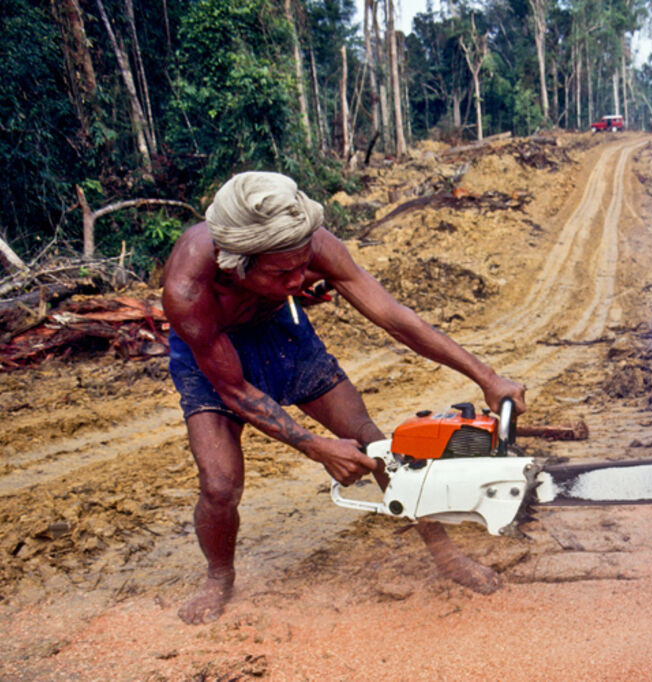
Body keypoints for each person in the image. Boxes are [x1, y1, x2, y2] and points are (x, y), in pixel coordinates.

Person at [162, 171, 526, 625]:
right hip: (212, 350)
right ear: (237, 263)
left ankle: (445, 555)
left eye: (303, 265)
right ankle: (219, 576)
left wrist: (485, 376)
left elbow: (395, 318)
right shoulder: (188, 290)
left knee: (376, 446)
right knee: (219, 485)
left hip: (282, 332)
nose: (301, 278)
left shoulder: (311, 243)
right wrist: (313, 446)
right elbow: (234, 388)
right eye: (283, 272)